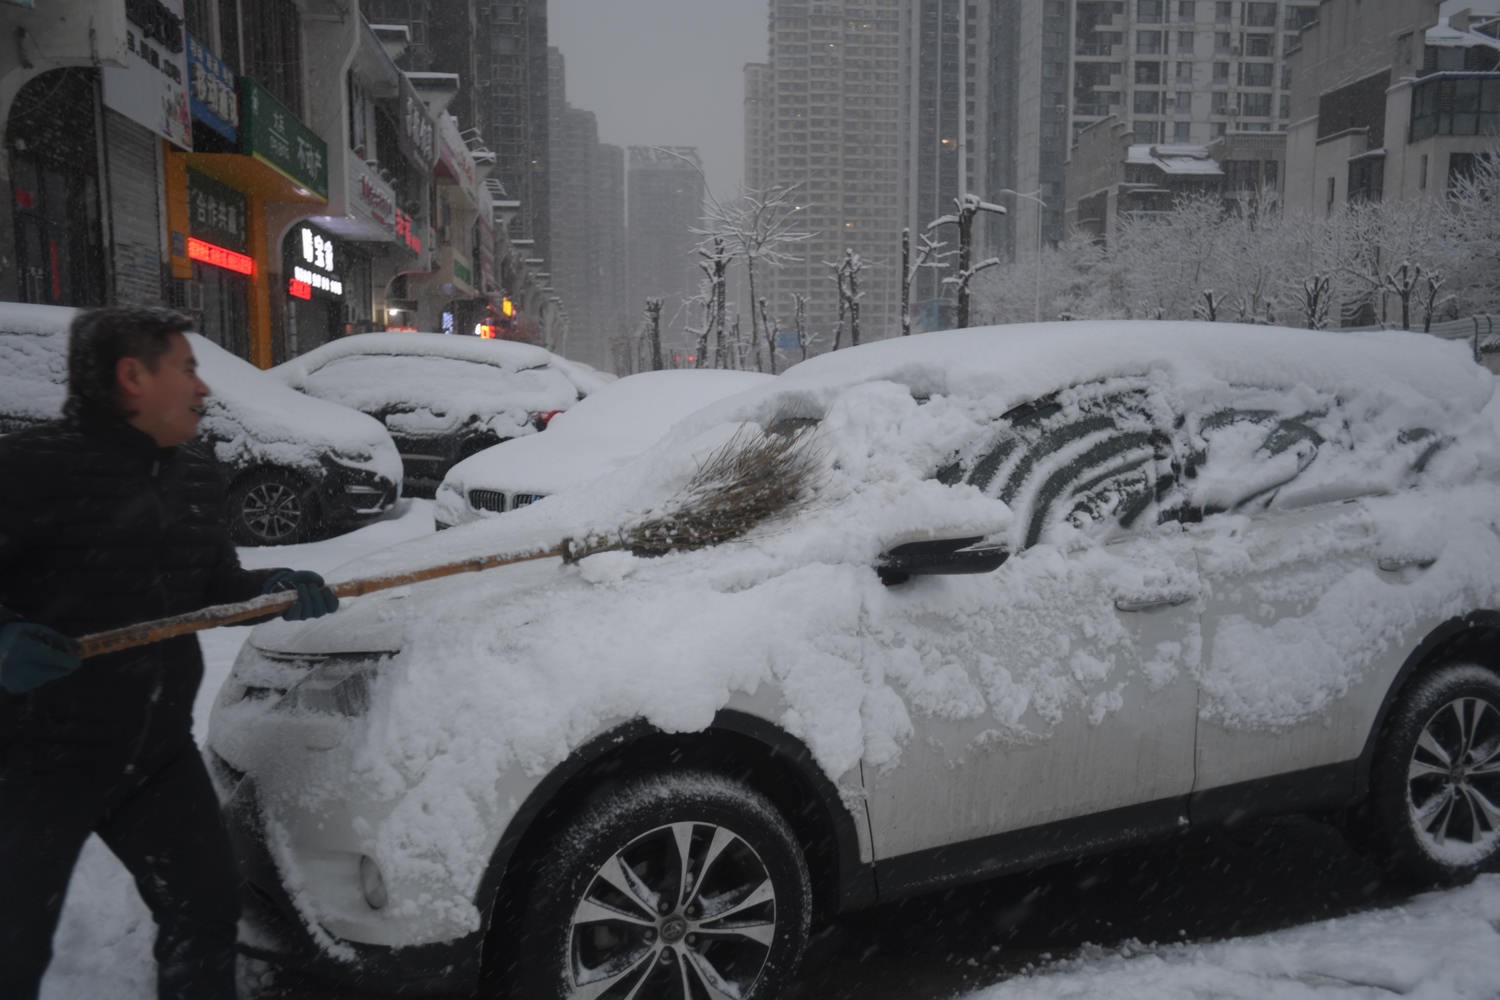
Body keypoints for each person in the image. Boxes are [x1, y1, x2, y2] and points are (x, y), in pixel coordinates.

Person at [0, 306, 340, 1000]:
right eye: (186, 369)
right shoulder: (24, 471)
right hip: (32, 761)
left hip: (154, 756)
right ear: (133, 377)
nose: (203, 388)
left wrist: (270, 589)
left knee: (205, 912)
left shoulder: (192, 476)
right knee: (12, 948)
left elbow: (211, 583)